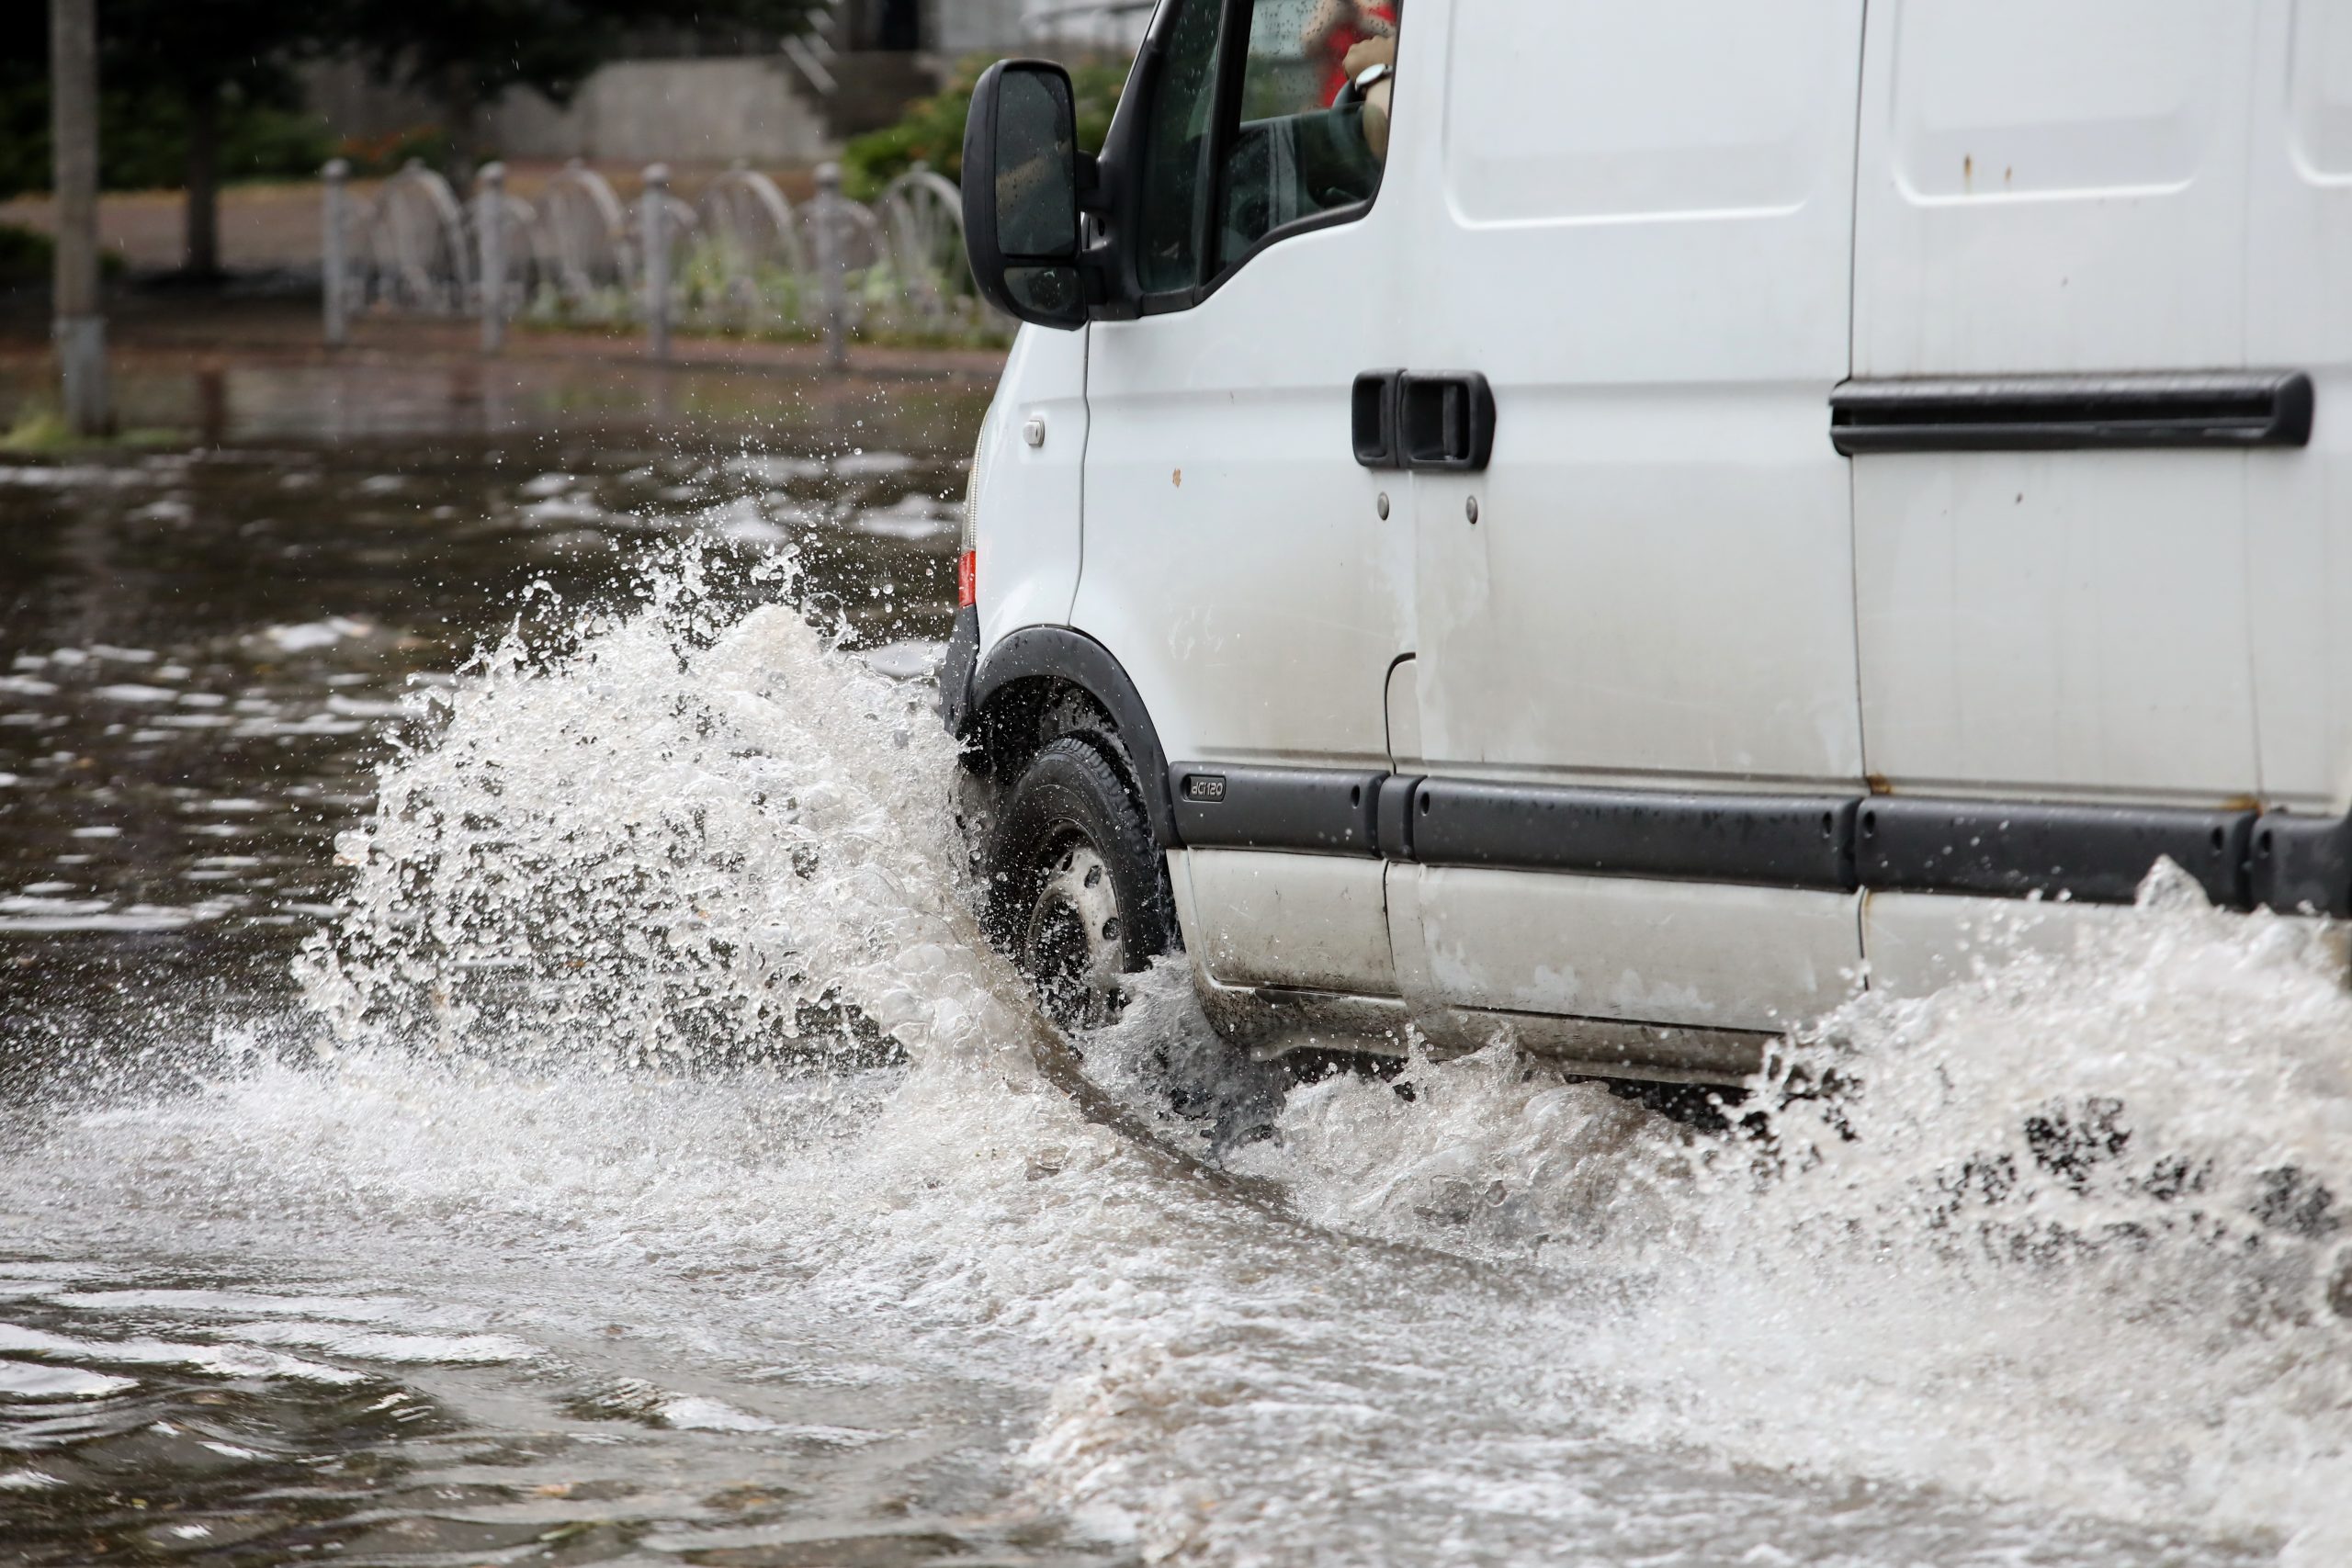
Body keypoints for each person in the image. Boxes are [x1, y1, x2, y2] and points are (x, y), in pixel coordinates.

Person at [1303, 0, 1397, 103]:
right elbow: (1308, 46)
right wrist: (1332, 20)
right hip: (1337, 97)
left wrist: (1362, 21)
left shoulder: (1396, 3)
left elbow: (1403, 41)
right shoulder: (1331, 4)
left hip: (1381, 98)